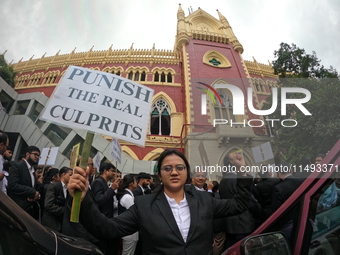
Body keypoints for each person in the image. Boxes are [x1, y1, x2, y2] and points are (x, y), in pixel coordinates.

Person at [68, 149, 255, 255]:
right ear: (160, 174)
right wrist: (83, 199)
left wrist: (243, 172)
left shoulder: (204, 200)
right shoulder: (144, 206)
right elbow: (106, 228)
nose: (174, 172)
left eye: (179, 167)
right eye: (168, 168)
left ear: (186, 173)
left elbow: (239, 204)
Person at [91, 163, 120, 255]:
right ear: (105, 171)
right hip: (101, 220)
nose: (114, 174)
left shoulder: (105, 183)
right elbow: (98, 200)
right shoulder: (98, 182)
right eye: (112, 171)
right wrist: (112, 189)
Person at [7, 146, 43, 220]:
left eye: (39, 155)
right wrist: (32, 192)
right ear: (27, 154)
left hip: (29, 209)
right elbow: (13, 185)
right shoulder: (17, 166)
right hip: (17, 207)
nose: (37, 157)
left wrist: (36, 195)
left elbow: (33, 187)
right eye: (35, 154)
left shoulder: (33, 170)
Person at [42, 167, 73, 232]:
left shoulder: (69, 189)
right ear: (63, 175)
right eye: (70, 175)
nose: (72, 177)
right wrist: (65, 211)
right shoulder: (54, 186)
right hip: (52, 223)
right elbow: (48, 204)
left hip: (62, 224)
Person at [118, 174, 138, 255]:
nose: (136, 183)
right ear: (131, 183)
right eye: (135, 181)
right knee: (128, 253)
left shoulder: (128, 195)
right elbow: (134, 213)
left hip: (129, 231)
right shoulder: (127, 197)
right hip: (128, 231)